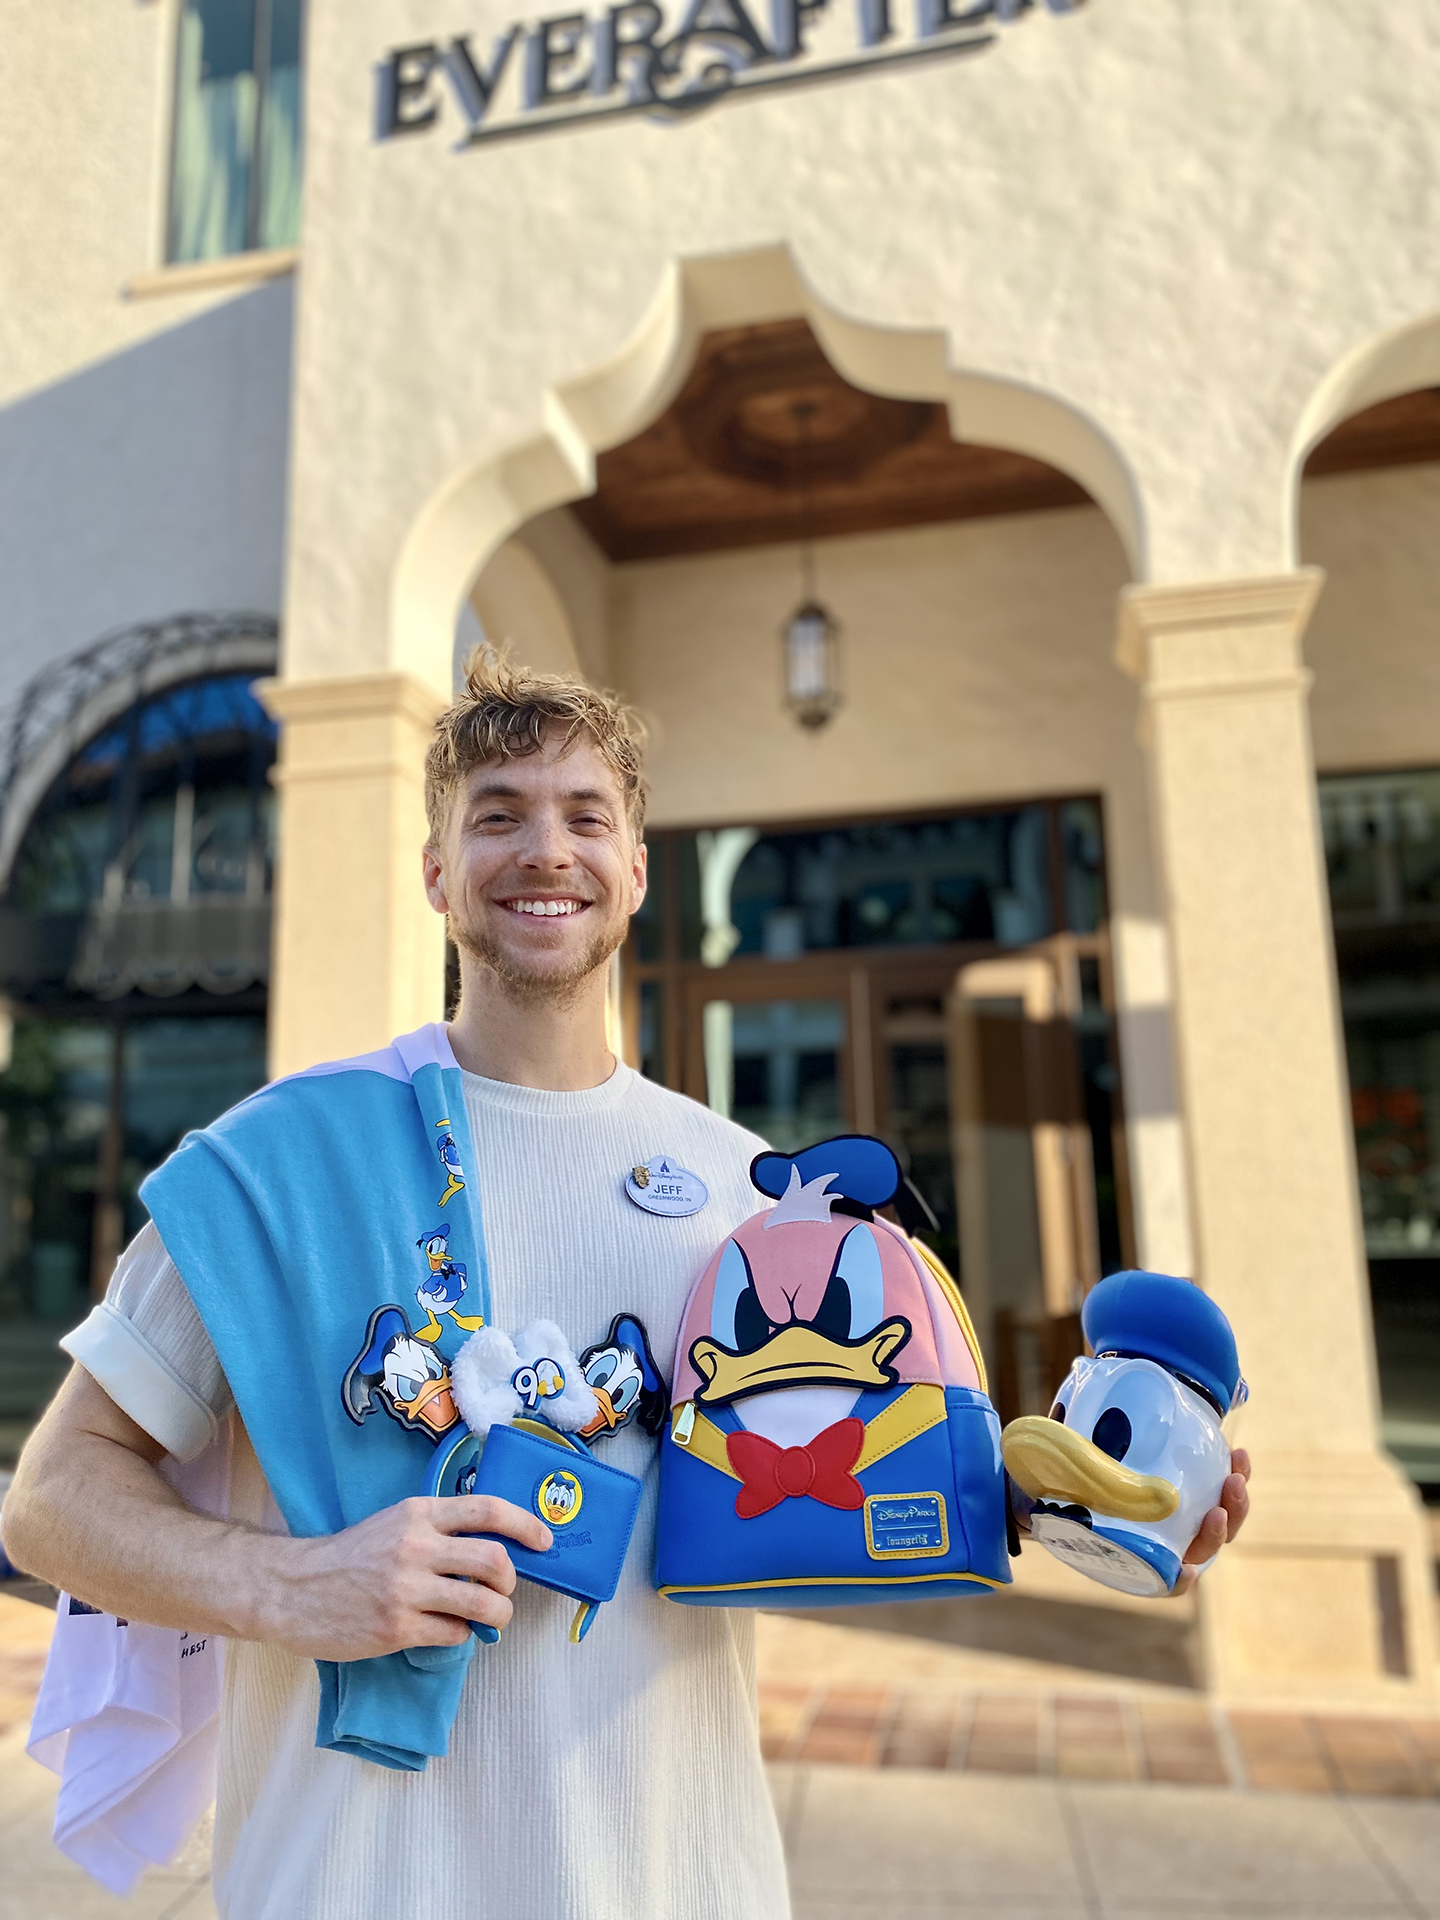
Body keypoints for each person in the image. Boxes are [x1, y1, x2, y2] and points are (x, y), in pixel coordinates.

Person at [2, 651, 1250, 1920]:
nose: (546, 849)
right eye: (497, 815)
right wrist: (293, 1585)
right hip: (347, 1886)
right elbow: (48, 1502)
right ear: (436, 872)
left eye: (586, 816)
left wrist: (1102, 1506)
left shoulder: (754, 1196)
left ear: (639, 871)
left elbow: (860, 1482)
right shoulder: (277, 1163)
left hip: (675, 1882)